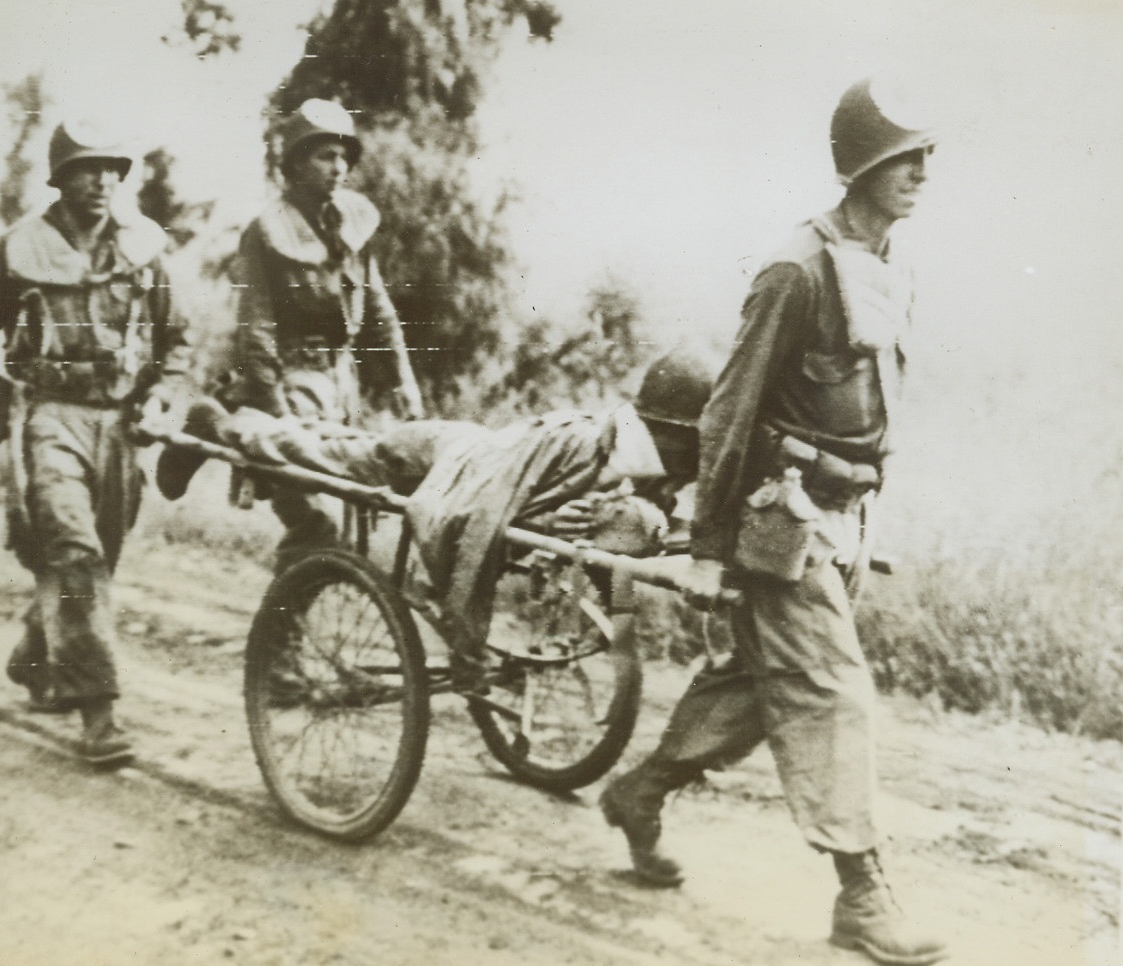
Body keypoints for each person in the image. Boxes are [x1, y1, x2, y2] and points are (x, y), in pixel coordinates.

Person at [598, 78, 948, 966]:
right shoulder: (796, 270)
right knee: (833, 691)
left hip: (840, 516)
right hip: (776, 520)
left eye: (926, 156)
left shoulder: (887, 265)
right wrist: (711, 550)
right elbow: (728, 415)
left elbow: (870, 400)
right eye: (904, 156)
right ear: (861, 164)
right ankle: (862, 896)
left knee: (760, 685)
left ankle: (640, 791)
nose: (921, 171)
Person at [157, 348, 714, 670]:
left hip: (476, 454)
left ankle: (248, 426)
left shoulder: (641, 467)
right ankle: (223, 425)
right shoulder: (579, 443)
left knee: (338, 443)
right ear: (664, 433)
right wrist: (465, 638)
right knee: (332, 453)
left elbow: (626, 531)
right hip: (455, 460)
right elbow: (475, 519)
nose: (692, 463)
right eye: (691, 446)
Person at [0, 118, 193, 766]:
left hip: (122, 425)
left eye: (112, 167)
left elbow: (177, 339)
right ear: (60, 177)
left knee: (98, 555)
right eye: (87, 167)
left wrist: (164, 396)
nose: (103, 180)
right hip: (48, 417)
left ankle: (35, 652)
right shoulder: (21, 249)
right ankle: (98, 718)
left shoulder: (142, 248)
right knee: (75, 552)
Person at [222, 98, 424, 572]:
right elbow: (255, 329)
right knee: (316, 521)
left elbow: (378, 310)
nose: (337, 168)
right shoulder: (267, 232)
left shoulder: (351, 227)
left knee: (342, 528)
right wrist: (276, 413)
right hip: (289, 385)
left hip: (340, 386)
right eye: (323, 156)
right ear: (295, 163)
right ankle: (280, 638)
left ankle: (282, 636)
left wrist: (404, 383)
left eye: (342, 157)